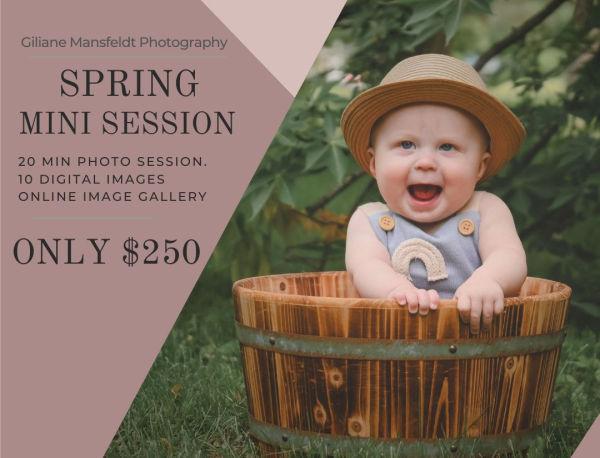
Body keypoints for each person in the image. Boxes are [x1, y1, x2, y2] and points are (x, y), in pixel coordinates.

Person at [342, 54, 527, 334]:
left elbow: (510, 256)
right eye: (406, 144)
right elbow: (365, 266)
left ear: (480, 166)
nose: (425, 162)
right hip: (392, 343)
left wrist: (489, 279)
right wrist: (395, 289)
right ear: (374, 163)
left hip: (472, 343)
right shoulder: (369, 220)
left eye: (447, 147)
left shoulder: (485, 209)